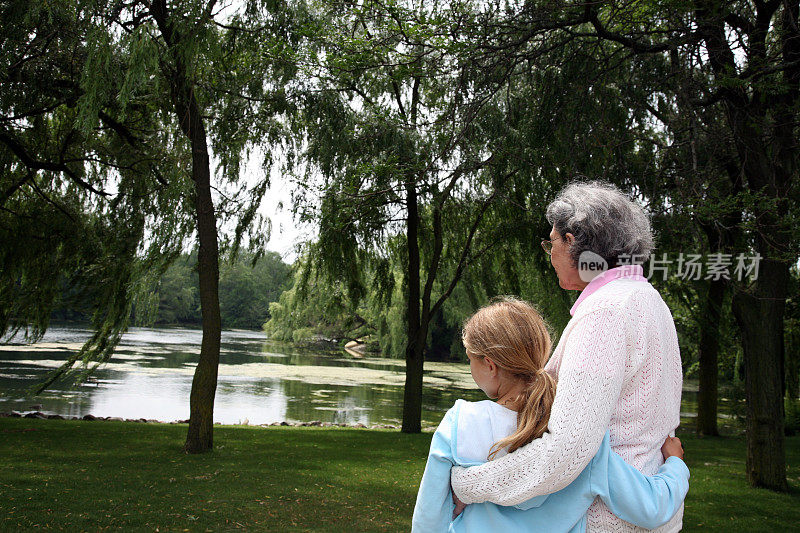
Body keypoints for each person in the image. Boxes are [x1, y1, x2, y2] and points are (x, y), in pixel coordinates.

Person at [450, 181, 684, 532]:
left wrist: (469, 485)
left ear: (572, 241)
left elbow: (567, 452)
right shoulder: (649, 300)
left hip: (607, 521)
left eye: (551, 242)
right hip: (650, 515)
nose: (550, 254)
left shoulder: (606, 312)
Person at [411, 299, 688, 532]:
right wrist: (675, 464)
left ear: (490, 365)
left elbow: (429, 515)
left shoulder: (460, 425)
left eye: (470, 358)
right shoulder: (581, 437)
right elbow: (652, 507)